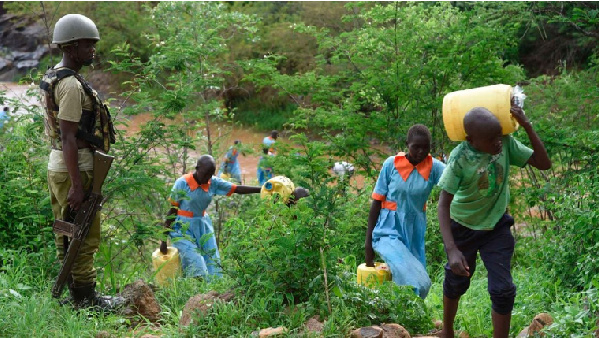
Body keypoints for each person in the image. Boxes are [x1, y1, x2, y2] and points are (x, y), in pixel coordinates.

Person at [437, 105, 551, 338]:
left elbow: (543, 163)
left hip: (496, 225)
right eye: (490, 139)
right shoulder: (460, 157)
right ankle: (447, 331)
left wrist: (527, 125)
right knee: (456, 282)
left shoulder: (506, 144)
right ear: (471, 139)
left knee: (503, 290)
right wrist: (452, 250)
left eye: (499, 136)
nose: (497, 142)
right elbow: (443, 204)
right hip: (463, 226)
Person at [40, 14, 118, 310]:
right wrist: (76, 185)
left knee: (67, 231)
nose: (93, 50)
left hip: (60, 164)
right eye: (88, 45)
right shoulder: (70, 85)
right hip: (76, 167)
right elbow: (69, 136)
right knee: (84, 233)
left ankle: (74, 294)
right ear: (71, 47)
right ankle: (86, 299)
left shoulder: (53, 76)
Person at [365, 124, 446, 298]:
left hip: (414, 232)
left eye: (426, 147)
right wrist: (368, 244)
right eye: (416, 146)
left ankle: (407, 319)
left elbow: (455, 181)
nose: (421, 151)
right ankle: (399, 319)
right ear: (407, 144)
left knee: (416, 282)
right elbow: (376, 203)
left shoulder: (434, 167)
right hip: (387, 231)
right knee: (417, 282)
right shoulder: (391, 164)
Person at [163, 155, 262, 278]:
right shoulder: (182, 183)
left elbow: (237, 189)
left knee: (213, 263)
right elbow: (172, 211)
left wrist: (262, 189)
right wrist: (163, 240)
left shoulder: (213, 182)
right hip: (182, 228)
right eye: (204, 174)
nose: (207, 178)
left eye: (210, 175)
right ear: (197, 168)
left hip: (202, 226)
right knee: (196, 262)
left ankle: (213, 291)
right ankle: (196, 292)